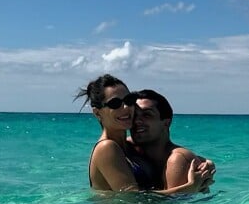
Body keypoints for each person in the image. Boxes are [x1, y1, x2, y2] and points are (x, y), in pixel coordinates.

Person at [75, 74, 212, 194]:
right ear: (97, 113)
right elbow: (132, 200)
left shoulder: (129, 146)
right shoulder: (106, 148)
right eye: (115, 103)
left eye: (128, 101)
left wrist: (205, 164)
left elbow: (164, 151)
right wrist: (189, 188)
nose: (126, 107)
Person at [130, 89, 216, 191]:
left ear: (166, 123)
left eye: (147, 115)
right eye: (133, 115)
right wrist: (208, 162)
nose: (137, 121)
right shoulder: (130, 147)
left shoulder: (177, 159)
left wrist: (191, 186)